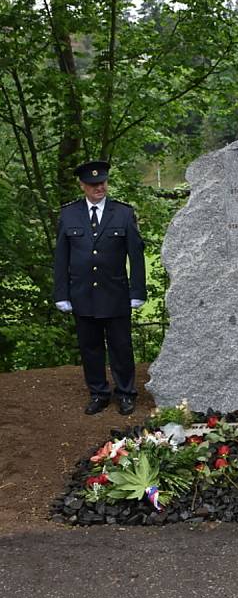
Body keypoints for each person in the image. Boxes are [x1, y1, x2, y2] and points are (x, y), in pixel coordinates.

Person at [54, 160, 147, 415]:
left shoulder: (123, 213)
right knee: (90, 347)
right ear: (82, 185)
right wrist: (61, 294)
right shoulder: (69, 214)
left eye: (103, 182)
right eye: (94, 184)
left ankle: (126, 393)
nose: (100, 187)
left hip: (115, 293)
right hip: (82, 294)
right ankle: (98, 393)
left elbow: (136, 256)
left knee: (121, 346)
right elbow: (61, 256)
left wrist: (137, 292)